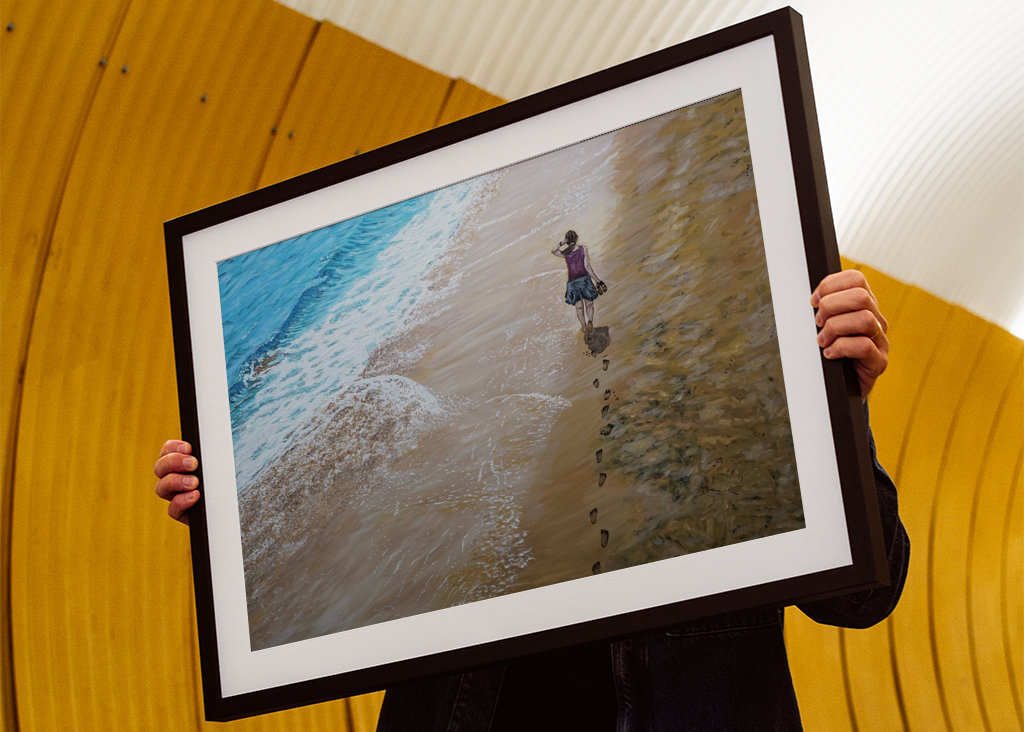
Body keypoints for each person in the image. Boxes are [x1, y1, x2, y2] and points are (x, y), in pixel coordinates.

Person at [155, 269, 908, 731]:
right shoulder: (496, 430)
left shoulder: (735, 423)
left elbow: (864, 596)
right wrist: (233, 502)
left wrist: (837, 404)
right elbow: (355, 534)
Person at [550, 229, 606, 333]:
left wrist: (562, 242)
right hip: (584, 280)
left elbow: (553, 251)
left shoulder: (565, 253)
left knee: (579, 308)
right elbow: (587, 267)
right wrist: (598, 281)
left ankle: (584, 327)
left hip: (573, 283)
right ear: (576, 238)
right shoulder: (583, 249)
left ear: (567, 241)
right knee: (589, 304)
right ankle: (590, 322)